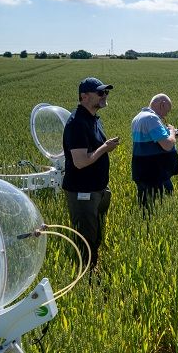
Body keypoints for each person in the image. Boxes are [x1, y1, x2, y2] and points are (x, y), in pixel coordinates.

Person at [62, 77, 119, 271]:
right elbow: (80, 162)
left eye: (106, 92)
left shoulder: (93, 119)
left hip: (98, 190)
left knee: (95, 234)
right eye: (101, 92)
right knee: (86, 238)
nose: (105, 96)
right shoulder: (77, 123)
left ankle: (94, 267)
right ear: (84, 96)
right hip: (82, 192)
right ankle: (87, 278)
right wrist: (105, 147)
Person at [131, 94, 178, 209]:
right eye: (167, 111)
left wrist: (173, 136)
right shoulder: (151, 118)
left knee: (146, 208)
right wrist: (172, 132)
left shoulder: (138, 117)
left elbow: (154, 141)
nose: (165, 116)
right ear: (162, 104)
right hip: (155, 173)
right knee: (160, 208)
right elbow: (167, 145)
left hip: (143, 172)